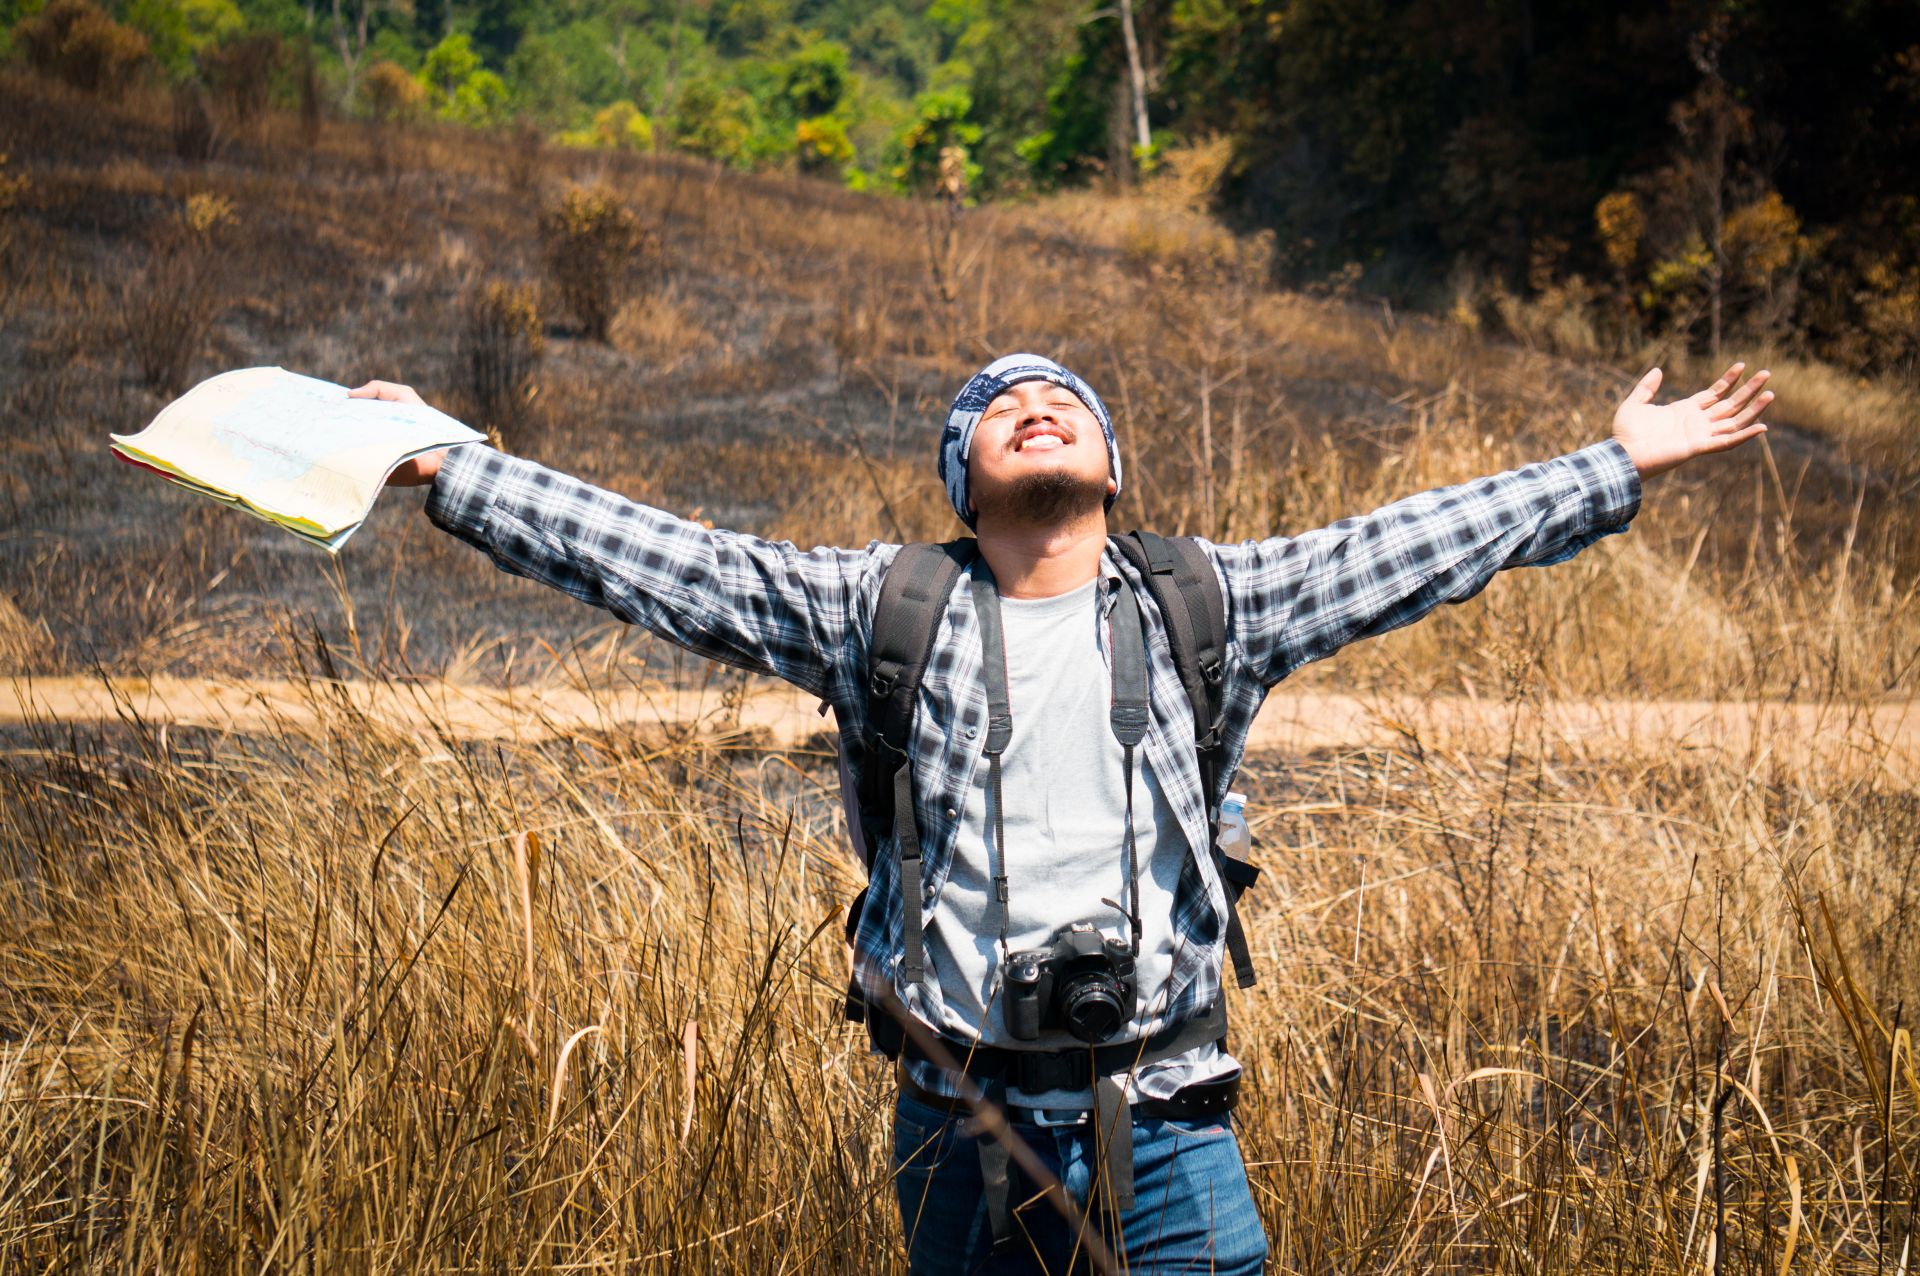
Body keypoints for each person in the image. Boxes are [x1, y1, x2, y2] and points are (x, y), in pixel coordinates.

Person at [358, 352, 1773, 1274]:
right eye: (997, 407)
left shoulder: (1205, 603)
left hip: (1168, 1125)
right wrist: (453, 470)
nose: (1038, 405)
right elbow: (666, 561)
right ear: (962, 482)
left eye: (1071, 401)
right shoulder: (880, 614)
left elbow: (1422, 540)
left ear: (1110, 466)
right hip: (957, 1121)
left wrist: (1618, 464)